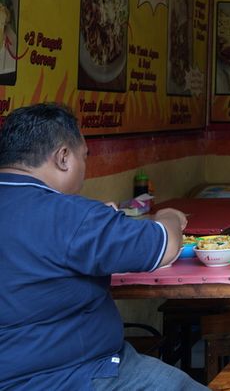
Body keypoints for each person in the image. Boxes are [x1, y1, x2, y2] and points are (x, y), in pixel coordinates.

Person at [0, 103, 202, 391]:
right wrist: (167, 217)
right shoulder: (69, 215)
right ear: (63, 158)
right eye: (85, 156)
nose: (85, 167)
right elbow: (166, 245)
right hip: (72, 376)